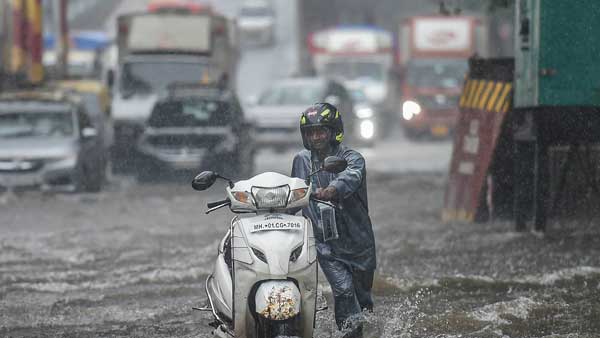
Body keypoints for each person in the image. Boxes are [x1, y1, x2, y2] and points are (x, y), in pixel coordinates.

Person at [291, 102, 376, 337]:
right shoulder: (301, 160)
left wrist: (330, 190)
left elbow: (350, 177)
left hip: (359, 244)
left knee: (363, 301)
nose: (316, 137)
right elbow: (294, 195)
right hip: (326, 244)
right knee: (344, 291)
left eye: (321, 131)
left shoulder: (353, 158)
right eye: (311, 132)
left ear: (333, 132)